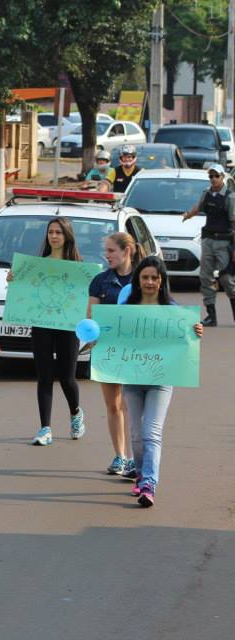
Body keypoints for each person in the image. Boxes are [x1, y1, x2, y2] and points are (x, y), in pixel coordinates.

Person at [117, 256, 202, 507]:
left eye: (155, 277)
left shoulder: (175, 312)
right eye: (145, 277)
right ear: (138, 280)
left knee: (150, 431)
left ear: (162, 280)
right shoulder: (125, 311)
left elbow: (185, 343)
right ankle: (141, 475)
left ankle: (149, 484)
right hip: (132, 378)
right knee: (135, 433)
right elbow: (111, 339)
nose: (150, 282)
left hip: (160, 380)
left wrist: (195, 332)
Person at [10, 218, 86, 446]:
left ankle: (75, 413)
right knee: (44, 376)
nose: (53, 236)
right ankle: (45, 428)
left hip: (67, 326)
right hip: (42, 324)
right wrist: (14, 280)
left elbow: (84, 296)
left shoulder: (78, 267)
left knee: (66, 377)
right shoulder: (37, 265)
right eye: (50, 232)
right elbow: (24, 290)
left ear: (67, 237)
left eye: (58, 233)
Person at [89, 232, 145, 476]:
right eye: (107, 251)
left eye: (112, 251)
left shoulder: (143, 278)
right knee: (113, 404)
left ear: (126, 251)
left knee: (130, 405)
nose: (107, 255)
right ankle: (120, 457)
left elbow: (161, 310)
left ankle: (134, 458)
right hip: (108, 352)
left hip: (136, 353)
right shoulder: (100, 281)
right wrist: (91, 335)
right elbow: (91, 316)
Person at [182, 163, 235, 327]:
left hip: (224, 242)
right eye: (210, 176)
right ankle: (211, 316)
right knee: (205, 278)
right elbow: (199, 207)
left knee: (227, 280)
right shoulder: (207, 193)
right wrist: (188, 215)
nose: (213, 179)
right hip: (208, 240)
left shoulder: (229, 197)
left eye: (216, 176)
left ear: (222, 177)